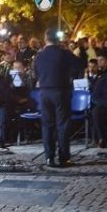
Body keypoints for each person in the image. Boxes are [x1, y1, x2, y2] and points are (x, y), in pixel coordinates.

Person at [33, 28, 80, 167]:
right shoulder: (64, 54)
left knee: (47, 125)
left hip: (44, 93)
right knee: (63, 125)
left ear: (45, 38)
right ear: (58, 40)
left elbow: (36, 73)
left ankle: (49, 157)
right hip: (61, 91)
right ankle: (64, 157)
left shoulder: (39, 56)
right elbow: (79, 64)